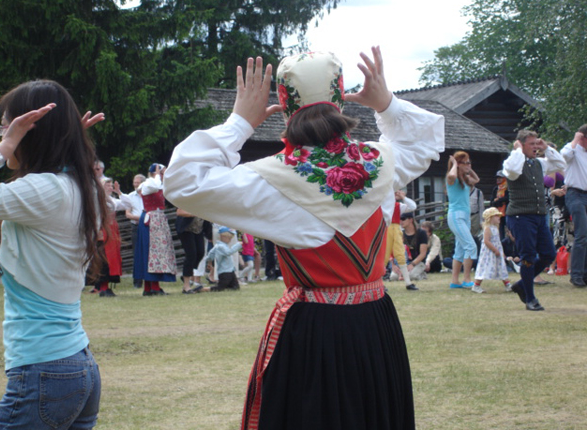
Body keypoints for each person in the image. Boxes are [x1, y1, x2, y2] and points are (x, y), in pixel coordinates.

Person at [163, 47, 445, 429]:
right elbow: (426, 138)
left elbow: (183, 181)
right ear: (340, 94)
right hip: (374, 321)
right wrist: (387, 105)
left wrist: (238, 123)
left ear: (282, 102)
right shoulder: (381, 161)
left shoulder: (268, 178)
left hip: (314, 329)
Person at [0, 80, 107, 429]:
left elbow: (38, 190)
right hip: (76, 367)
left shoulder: (45, 192)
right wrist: (63, 142)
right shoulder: (77, 186)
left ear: (29, 133)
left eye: (7, 126)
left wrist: (3, 147)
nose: (2, 133)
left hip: (44, 372)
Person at [503, 129, 566, 310]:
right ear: (521, 145)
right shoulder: (511, 162)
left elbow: (561, 163)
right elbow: (514, 170)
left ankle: (523, 284)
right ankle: (530, 298)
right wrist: (516, 150)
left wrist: (546, 148)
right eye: (532, 144)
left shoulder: (538, 163)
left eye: (536, 143)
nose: (535, 147)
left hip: (538, 216)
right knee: (528, 256)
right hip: (520, 216)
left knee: (548, 254)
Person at [134, 163, 177, 296]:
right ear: (155, 173)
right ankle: (152, 287)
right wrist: (158, 175)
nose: (164, 176)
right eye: (162, 173)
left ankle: (150, 287)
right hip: (151, 220)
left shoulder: (158, 184)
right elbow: (154, 185)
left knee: (157, 254)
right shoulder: (148, 184)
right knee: (150, 253)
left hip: (158, 220)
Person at [446, 151, 480, 289]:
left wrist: (468, 168)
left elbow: (477, 180)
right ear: (458, 164)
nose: (468, 164)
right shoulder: (451, 178)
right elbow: (452, 174)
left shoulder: (465, 179)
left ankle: (455, 281)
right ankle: (466, 278)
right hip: (456, 215)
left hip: (465, 216)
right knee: (471, 246)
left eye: (469, 162)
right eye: (465, 162)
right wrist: (454, 164)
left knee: (460, 250)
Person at [560, 125, 587, 287]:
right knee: (581, 235)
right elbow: (564, 155)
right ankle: (576, 274)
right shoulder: (572, 149)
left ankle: (584, 273)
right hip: (575, 194)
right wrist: (576, 138)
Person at [94, 177, 127, 297]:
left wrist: (119, 192)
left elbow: (125, 204)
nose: (110, 186)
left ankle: (106, 286)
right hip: (103, 229)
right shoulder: (98, 199)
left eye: (111, 185)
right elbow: (95, 215)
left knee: (112, 258)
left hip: (112, 229)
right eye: (108, 185)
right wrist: (98, 230)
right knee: (104, 258)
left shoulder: (111, 199)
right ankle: (102, 287)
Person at [185, 226, 242, 293]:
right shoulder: (221, 247)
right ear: (224, 237)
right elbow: (228, 252)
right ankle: (202, 289)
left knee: (235, 287)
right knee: (219, 288)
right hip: (225, 272)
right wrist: (238, 245)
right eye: (229, 238)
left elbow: (210, 255)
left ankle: (228, 286)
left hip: (230, 271)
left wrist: (209, 262)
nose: (230, 240)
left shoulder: (218, 246)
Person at [472, 207, 513, 293]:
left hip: (497, 252)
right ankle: (476, 285)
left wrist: (501, 252)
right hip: (489, 253)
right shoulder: (488, 229)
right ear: (490, 218)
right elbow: (486, 241)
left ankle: (507, 284)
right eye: (496, 216)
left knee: (501, 267)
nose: (499, 217)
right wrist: (494, 250)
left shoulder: (495, 228)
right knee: (484, 268)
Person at [384, 190, 419, 290]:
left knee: (400, 254)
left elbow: (413, 207)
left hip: (395, 229)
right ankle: (380, 284)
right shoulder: (383, 204)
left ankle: (408, 283)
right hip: (387, 229)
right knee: (384, 257)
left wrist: (403, 198)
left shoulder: (397, 205)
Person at [120, 173, 146, 288]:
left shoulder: (148, 195)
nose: (135, 185)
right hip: (136, 227)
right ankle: (137, 282)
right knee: (137, 254)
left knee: (149, 254)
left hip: (148, 226)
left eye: (138, 183)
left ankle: (150, 281)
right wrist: (141, 218)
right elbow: (128, 214)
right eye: (134, 183)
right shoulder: (130, 196)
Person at [390, 212, 428, 285]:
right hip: (403, 263)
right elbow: (393, 252)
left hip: (417, 263)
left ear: (411, 220)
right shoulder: (400, 234)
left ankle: (422, 274)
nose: (400, 221)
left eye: (403, 219)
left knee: (411, 276)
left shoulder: (421, 233)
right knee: (393, 277)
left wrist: (411, 265)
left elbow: (423, 254)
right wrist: (393, 265)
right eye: (399, 219)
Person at [175, 208, 206, 292]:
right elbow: (179, 212)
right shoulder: (187, 196)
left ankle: (187, 273)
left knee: (200, 253)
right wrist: (195, 213)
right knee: (191, 255)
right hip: (186, 229)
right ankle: (186, 286)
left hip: (198, 229)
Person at [490, 170, 509, 239]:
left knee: (509, 230)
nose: (498, 179)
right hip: (498, 213)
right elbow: (492, 201)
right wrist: (497, 202)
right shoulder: (496, 189)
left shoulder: (508, 188)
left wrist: (499, 200)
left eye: (500, 178)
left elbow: (508, 198)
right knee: (500, 232)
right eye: (497, 178)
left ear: (504, 178)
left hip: (507, 213)